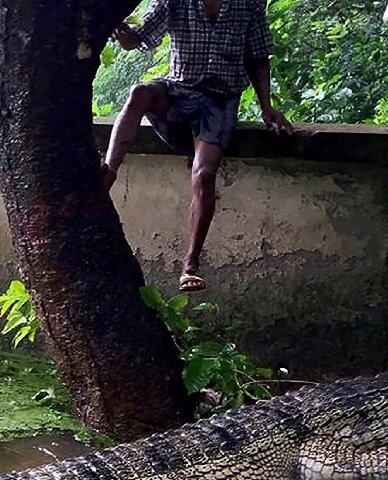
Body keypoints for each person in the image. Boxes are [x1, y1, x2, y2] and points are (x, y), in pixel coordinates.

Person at [102, 0, 293, 292]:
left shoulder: (249, 4)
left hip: (219, 102)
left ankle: (190, 265)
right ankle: (108, 173)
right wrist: (117, 25)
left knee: (203, 175)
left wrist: (267, 107)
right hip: (178, 91)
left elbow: (257, 57)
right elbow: (137, 41)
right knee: (139, 92)